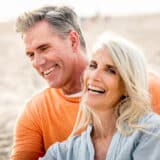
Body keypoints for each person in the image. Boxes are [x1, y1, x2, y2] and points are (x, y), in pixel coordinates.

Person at [11, 5, 160, 160]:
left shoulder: (148, 88)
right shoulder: (36, 112)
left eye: (44, 48)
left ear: (73, 41)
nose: (37, 62)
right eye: (31, 55)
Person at [40, 32, 160, 160]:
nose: (94, 76)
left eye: (110, 70)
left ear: (127, 87)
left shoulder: (150, 130)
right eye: (93, 66)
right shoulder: (63, 152)